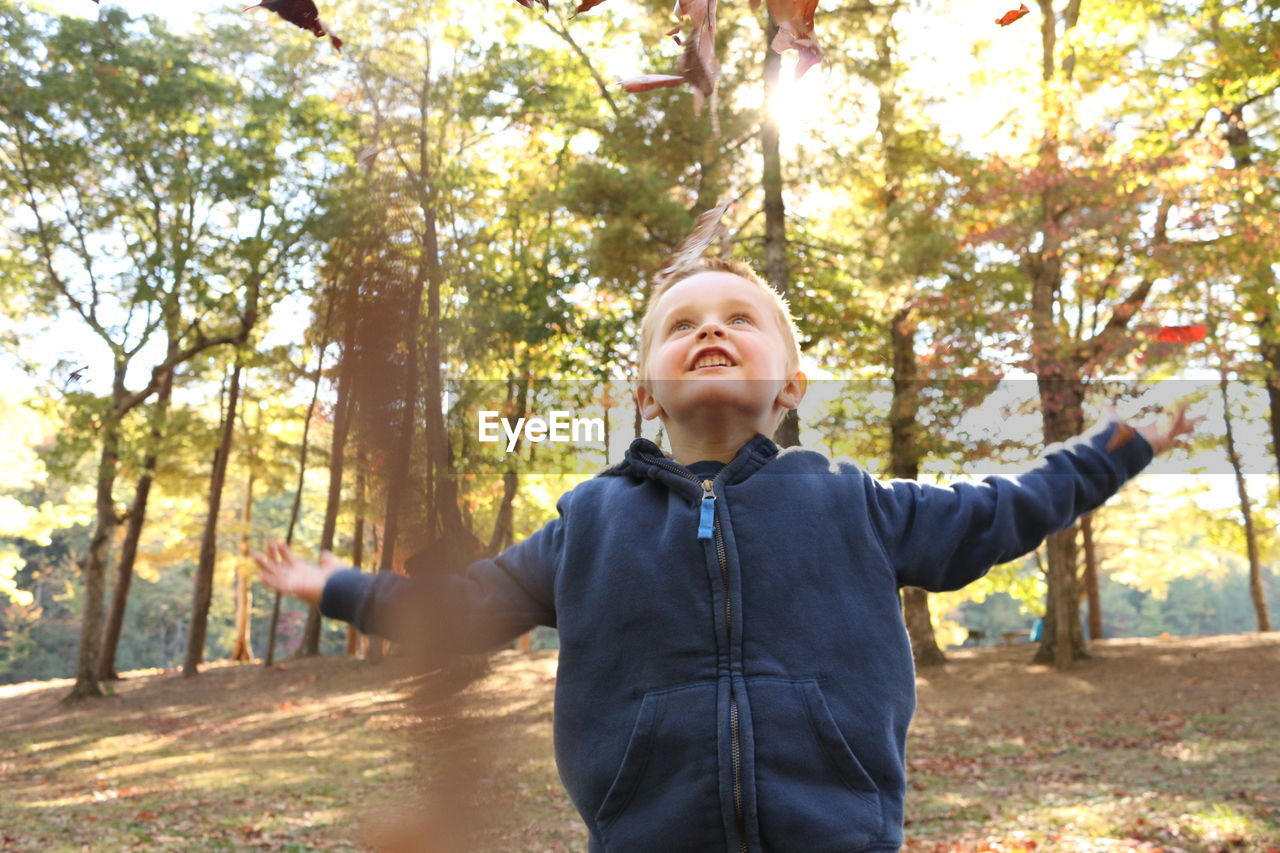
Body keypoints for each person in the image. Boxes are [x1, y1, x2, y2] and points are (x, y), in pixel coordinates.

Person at [253, 257, 1199, 852]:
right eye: (682, 321)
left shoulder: (854, 501)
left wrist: (1118, 446)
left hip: (839, 835)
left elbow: (1008, 510)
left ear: (789, 383)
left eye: (739, 318)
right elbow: (457, 611)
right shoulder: (591, 519)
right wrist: (333, 583)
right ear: (644, 393)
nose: (710, 327)